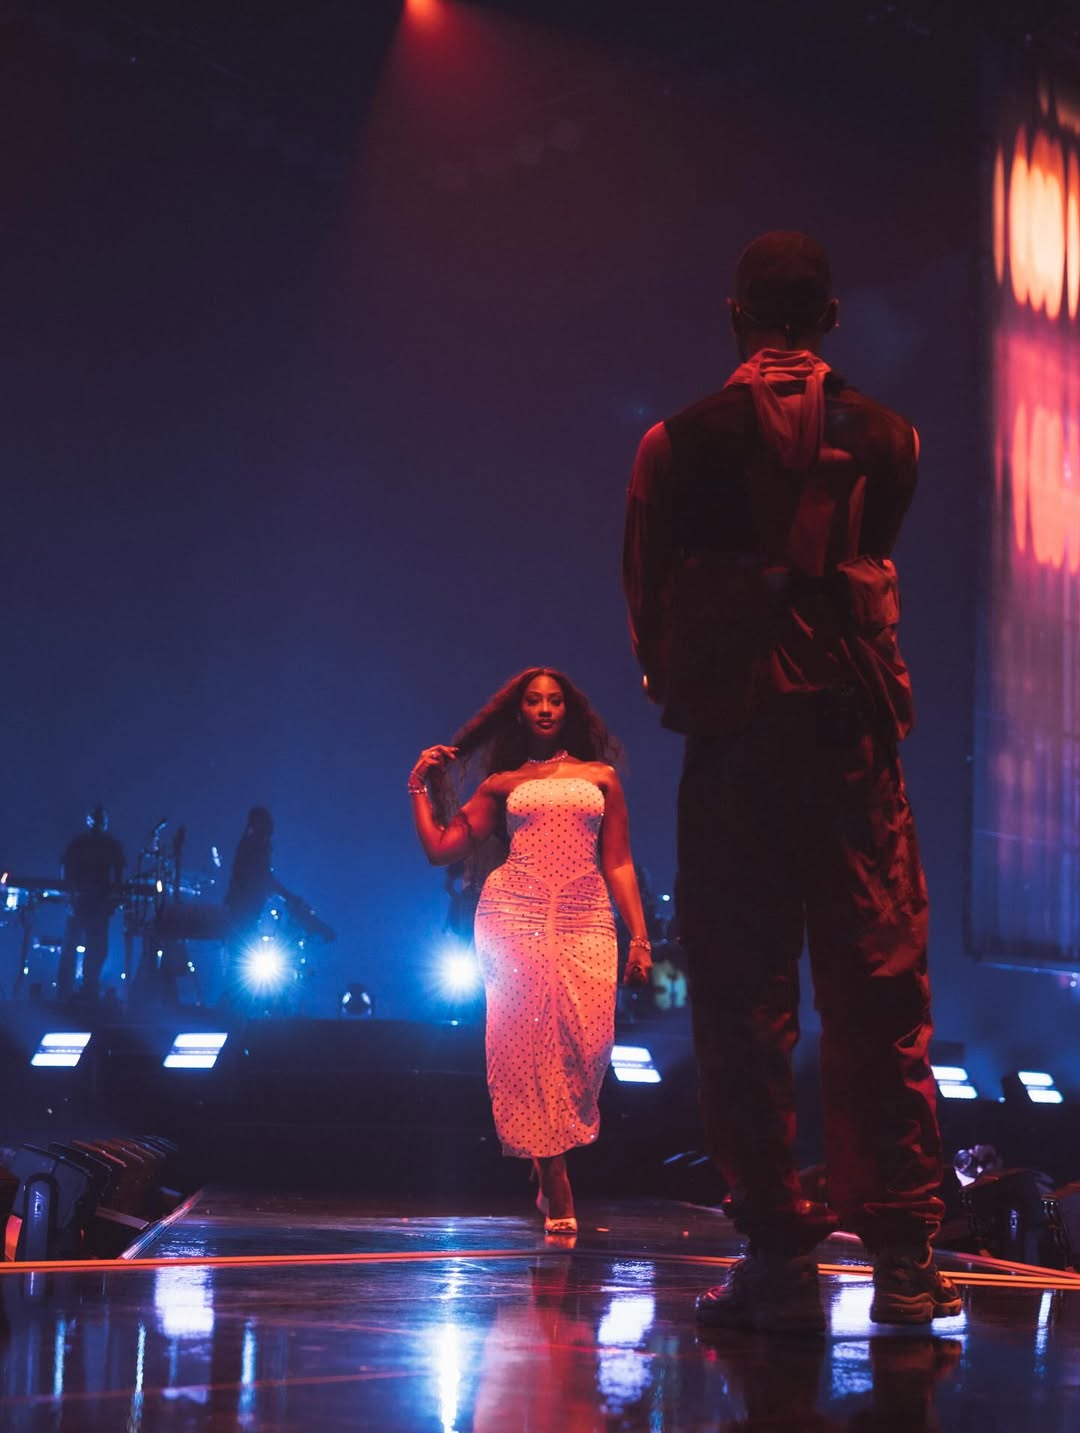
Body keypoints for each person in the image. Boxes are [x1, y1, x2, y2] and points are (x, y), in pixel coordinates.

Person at [623, 231, 960, 1330]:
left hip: (735, 750)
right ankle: (905, 1260)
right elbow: (875, 549)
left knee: (740, 1005)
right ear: (829, 316)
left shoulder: (672, 446)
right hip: (853, 748)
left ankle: (776, 1252)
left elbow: (648, 609)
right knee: (880, 993)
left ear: (734, 316)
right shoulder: (892, 440)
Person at [409, 667, 652, 1234]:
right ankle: (554, 1174)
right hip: (513, 914)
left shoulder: (601, 778)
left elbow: (617, 861)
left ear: (569, 710)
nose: (545, 709)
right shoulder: (503, 784)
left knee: (588, 1042)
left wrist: (639, 938)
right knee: (524, 1040)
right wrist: (419, 786)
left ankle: (548, 1161)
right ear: (519, 713)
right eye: (535, 701)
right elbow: (441, 850)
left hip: (585, 913)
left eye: (555, 700)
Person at [58, 804, 125, 1001]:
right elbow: (65, 867)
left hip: (93, 902)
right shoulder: (87, 844)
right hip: (86, 901)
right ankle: (75, 988)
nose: (100, 823)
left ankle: (83, 987)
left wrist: (113, 898)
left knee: (90, 947)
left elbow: (119, 872)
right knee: (82, 946)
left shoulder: (99, 844)